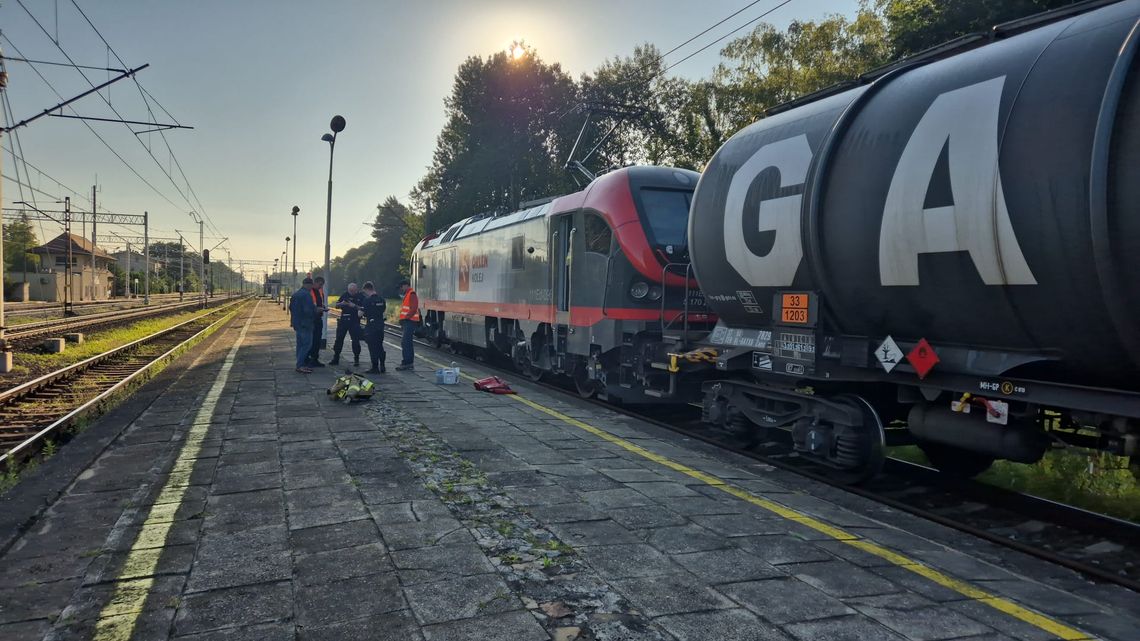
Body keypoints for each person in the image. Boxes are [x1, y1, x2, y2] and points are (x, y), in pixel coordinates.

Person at [330, 282, 366, 366]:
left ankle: (356, 358)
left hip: (354, 320)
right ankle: (336, 357)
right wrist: (342, 303)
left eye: (353, 290)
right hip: (344, 320)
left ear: (357, 290)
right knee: (339, 339)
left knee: (355, 340)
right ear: (348, 290)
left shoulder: (361, 297)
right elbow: (336, 305)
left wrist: (353, 305)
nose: (352, 292)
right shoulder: (344, 295)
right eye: (350, 290)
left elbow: (364, 309)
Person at [289, 277, 317, 374]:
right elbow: (308, 310)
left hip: (297, 323)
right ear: (308, 285)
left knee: (300, 345)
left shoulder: (296, 294)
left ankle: (300, 364)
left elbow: (290, 308)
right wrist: (316, 310)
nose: (311, 287)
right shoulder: (306, 295)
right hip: (306, 323)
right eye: (311, 285)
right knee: (307, 345)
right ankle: (300, 365)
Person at [360, 281, 387, 374]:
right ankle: (382, 366)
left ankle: (375, 367)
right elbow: (383, 312)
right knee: (380, 345)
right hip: (380, 325)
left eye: (365, 292)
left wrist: (359, 311)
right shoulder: (382, 300)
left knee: (372, 347)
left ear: (367, 289)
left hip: (371, 326)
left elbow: (361, 313)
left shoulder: (367, 300)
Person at [396, 279, 419, 371]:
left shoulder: (412, 294)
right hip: (408, 321)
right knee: (406, 342)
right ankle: (408, 362)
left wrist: (406, 318)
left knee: (406, 342)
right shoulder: (408, 294)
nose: (401, 289)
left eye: (401, 287)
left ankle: (407, 362)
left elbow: (413, 308)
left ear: (406, 285)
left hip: (410, 321)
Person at [308, 276, 329, 366]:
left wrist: (323, 307)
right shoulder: (309, 291)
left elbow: (319, 302)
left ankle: (315, 359)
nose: (321, 287)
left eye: (322, 285)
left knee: (317, 340)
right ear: (315, 283)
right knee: (311, 340)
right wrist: (319, 309)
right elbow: (310, 306)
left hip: (318, 318)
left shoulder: (320, 291)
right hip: (311, 319)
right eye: (320, 284)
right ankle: (309, 359)